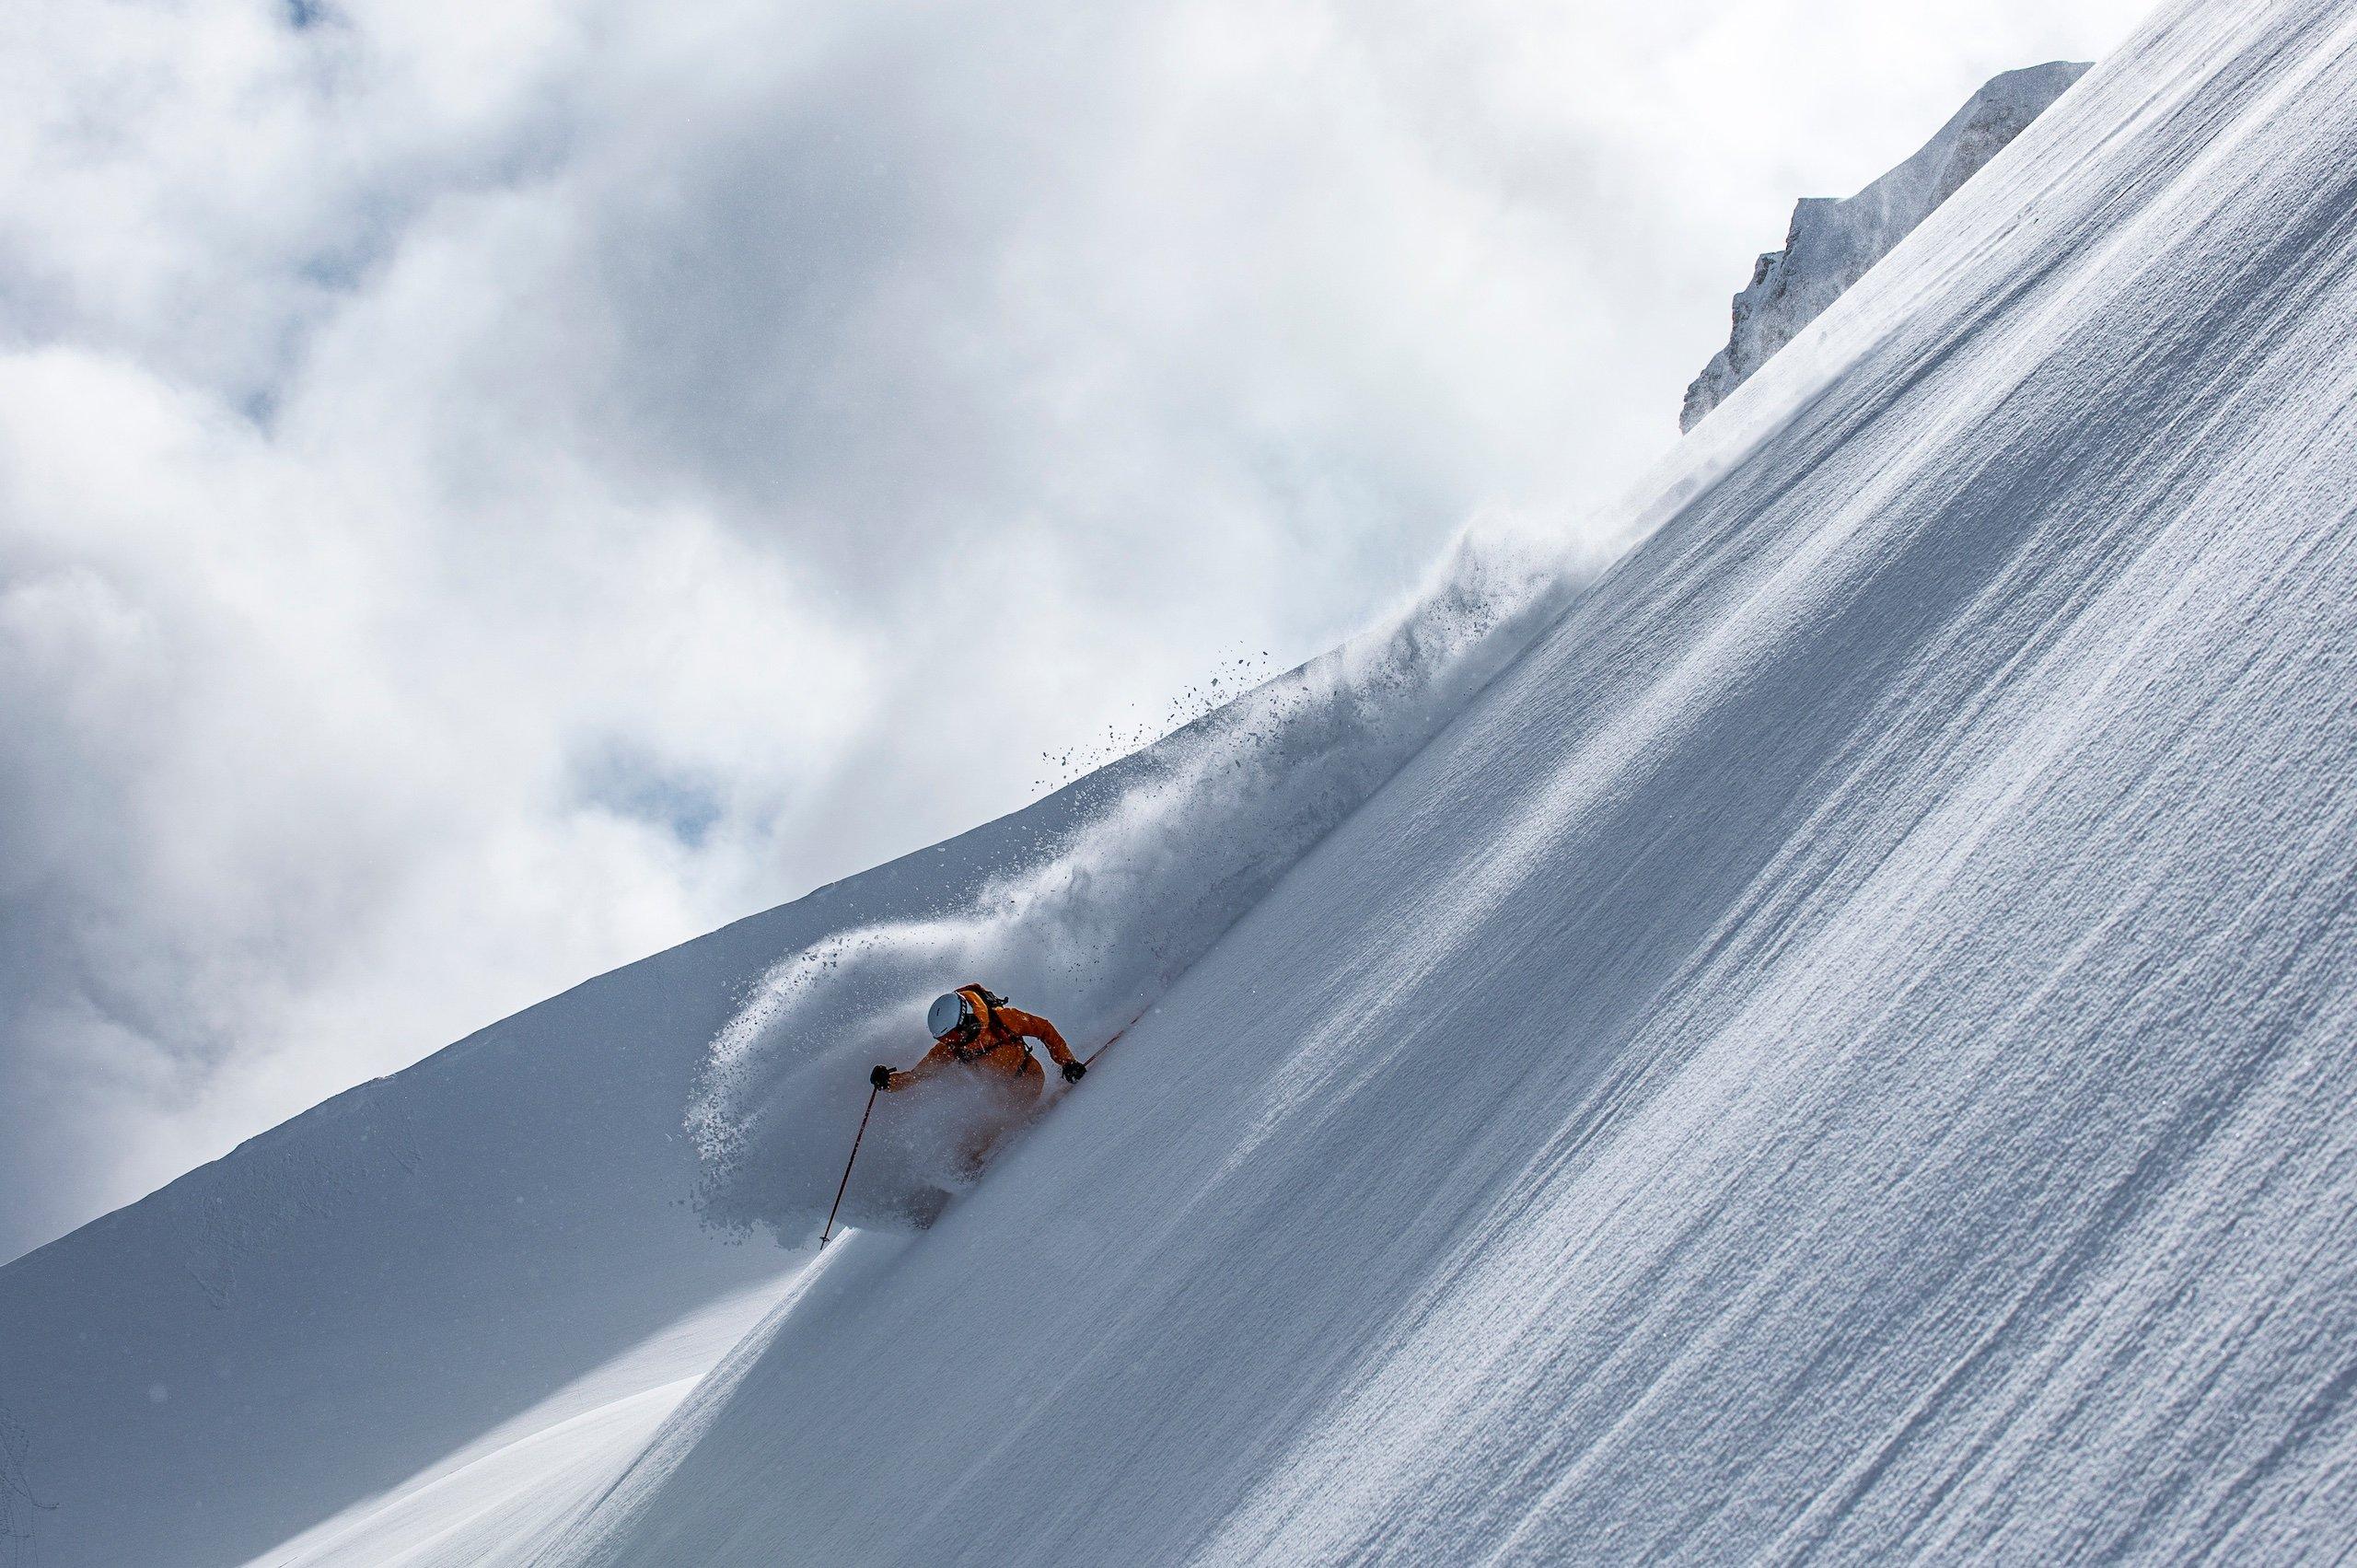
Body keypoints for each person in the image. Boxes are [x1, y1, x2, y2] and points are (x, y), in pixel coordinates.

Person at [871, 985, 1086, 1104]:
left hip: (1027, 1080)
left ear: (967, 1020)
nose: (951, 1043)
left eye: (953, 1036)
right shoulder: (953, 1047)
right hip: (994, 1096)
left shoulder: (1003, 1020)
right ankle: (966, 1174)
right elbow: (920, 1074)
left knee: (998, 1130)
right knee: (976, 1138)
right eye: (945, 1039)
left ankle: (996, 1163)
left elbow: (1043, 1029)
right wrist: (888, 1083)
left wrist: (1068, 1063)